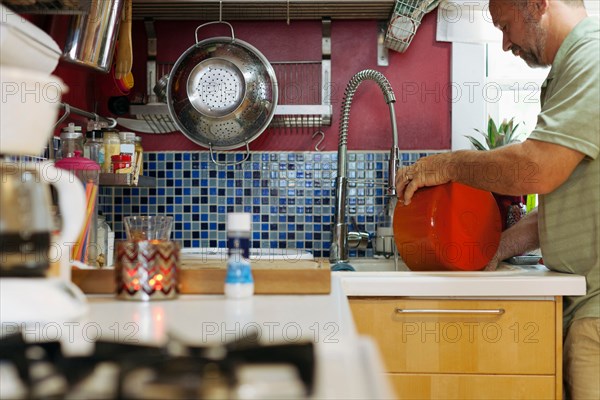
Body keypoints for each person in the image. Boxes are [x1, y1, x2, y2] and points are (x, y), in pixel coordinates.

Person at [395, 0, 599, 398]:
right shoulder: (571, 69)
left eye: (505, 26)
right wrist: (495, 248)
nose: (505, 44)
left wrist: (449, 166)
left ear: (536, 5)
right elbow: (567, 205)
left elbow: (537, 169)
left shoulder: (591, 59)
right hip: (586, 304)